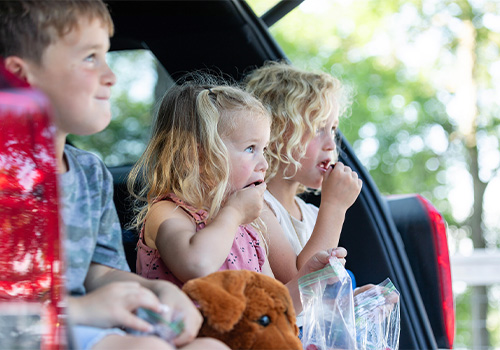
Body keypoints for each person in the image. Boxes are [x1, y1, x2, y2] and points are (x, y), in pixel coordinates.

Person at [0, 1, 227, 349]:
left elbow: (98, 270)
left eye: (106, 56)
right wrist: (83, 310)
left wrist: (157, 290)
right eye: (90, 57)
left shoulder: (90, 174)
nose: (111, 75)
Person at [128, 80, 346, 314]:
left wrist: (310, 280)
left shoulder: (250, 229)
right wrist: (234, 213)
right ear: (198, 157)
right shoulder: (168, 213)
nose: (263, 164)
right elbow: (196, 264)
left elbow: (275, 309)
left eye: (263, 150)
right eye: (251, 148)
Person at [244, 61, 363, 285]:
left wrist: (354, 301)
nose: (331, 144)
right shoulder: (256, 208)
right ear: (275, 132)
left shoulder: (311, 214)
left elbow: (321, 299)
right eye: (318, 129)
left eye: (333, 129)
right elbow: (302, 284)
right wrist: (335, 207)